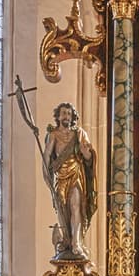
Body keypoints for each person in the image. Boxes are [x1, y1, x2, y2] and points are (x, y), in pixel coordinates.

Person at [43, 102, 97, 259]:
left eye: (68, 113)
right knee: (62, 209)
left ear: (73, 116)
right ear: (58, 116)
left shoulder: (79, 133)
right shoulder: (53, 135)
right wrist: (46, 175)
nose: (66, 116)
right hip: (60, 176)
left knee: (75, 206)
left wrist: (85, 152)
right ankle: (66, 240)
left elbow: (88, 157)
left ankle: (76, 242)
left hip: (76, 173)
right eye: (63, 113)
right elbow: (47, 155)